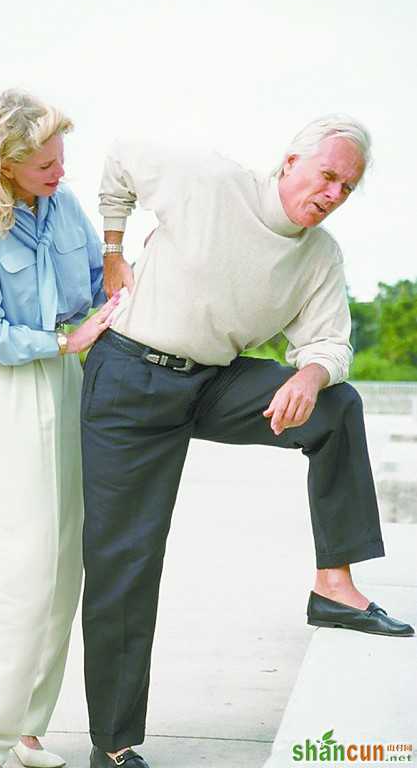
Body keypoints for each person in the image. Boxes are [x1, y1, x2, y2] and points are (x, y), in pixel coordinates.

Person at [80, 116, 415, 768]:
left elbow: (328, 343)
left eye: (346, 188)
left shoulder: (319, 255)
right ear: (290, 161)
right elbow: (121, 154)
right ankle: (114, 748)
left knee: (336, 406)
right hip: (127, 381)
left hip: (210, 384)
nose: (332, 194)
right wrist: (114, 249)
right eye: (326, 176)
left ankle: (333, 587)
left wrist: (311, 375)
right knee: (126, 563)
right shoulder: (206, 181)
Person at [0, 89, 119, 768]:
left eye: (61, 158)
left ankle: (24, 730)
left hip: (67, 374)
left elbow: (87, 299)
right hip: (11, 383)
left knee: (62, 566)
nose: (59, 172)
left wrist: (120, 281)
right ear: (7, 163)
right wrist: (65, 342)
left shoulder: (64, 206)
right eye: (45, 163)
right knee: (20, 565)